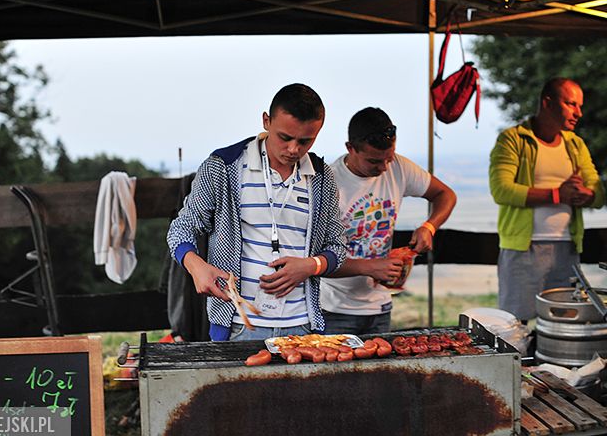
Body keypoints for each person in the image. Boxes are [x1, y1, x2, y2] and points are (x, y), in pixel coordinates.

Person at [167, 83, 346, 342]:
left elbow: (338, 247)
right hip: (238, 326)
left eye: (305, 141)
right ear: (266, 121)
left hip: (303, 327)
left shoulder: (322, 176)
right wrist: (196, 265)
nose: (294, 149)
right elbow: (181, 228)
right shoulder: (224, 166)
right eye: (285, 137)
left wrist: (311, 265)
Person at [320, 107, 457, 335]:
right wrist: (371, 267)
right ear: (350, 149)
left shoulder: (399, 167)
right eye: (374, 161)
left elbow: (446, 195)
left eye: (389, 158)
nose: (384, 168)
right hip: (334, 309)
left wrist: (429, 227)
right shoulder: (329, 183)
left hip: (381, 306)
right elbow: (317, 261)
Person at [489, 77, 605, 322]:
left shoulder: (575, 144)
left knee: (564, 323)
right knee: (515, 324)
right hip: (523, 249)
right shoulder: (513, 139)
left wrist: (587, 194)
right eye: (571, 104)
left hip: (568, 249)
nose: (579, 113)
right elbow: (501, 190)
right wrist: (557, 194)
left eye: (579, 106)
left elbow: (598, 194)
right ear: (547, 103)